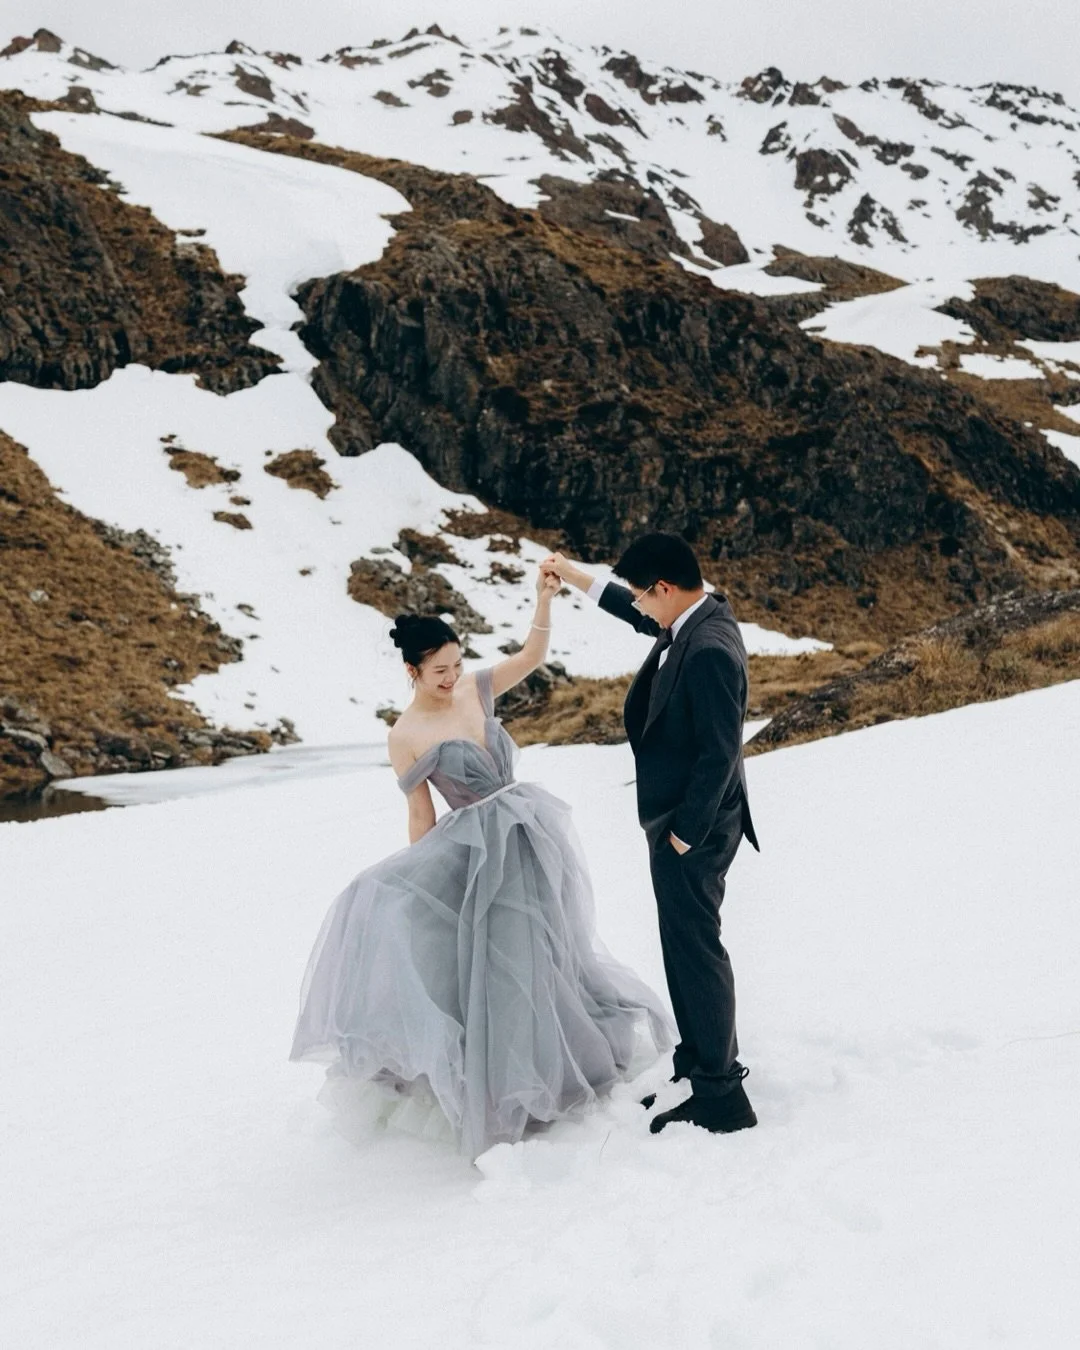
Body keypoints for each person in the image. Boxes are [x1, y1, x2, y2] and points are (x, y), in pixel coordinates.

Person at [289, 566, 673, 1160]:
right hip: (478, 854)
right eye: (438, 671)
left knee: (547, 950)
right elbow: (421, 813)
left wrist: (544, 600)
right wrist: (424, 882)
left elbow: (533, 656)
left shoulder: (475, 688)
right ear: (412, 672)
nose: (451, 678)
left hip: (529, 833)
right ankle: (509, 1088)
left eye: (455, 665)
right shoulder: (405, 734)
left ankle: (561, 1064)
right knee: (503, 965)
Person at [541, 533, 760, 1136]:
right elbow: (633, 613)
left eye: (643, 595)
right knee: (682, 946)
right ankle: (699, 1061)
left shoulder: (709, 648)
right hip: (679, 824)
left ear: (664, 588)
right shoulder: (692, 616)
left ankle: (722, 1095)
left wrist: (685, 834)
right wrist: (574, 575)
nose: (640, 607)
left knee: (697, 951)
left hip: (696, 828)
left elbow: (720, 753)